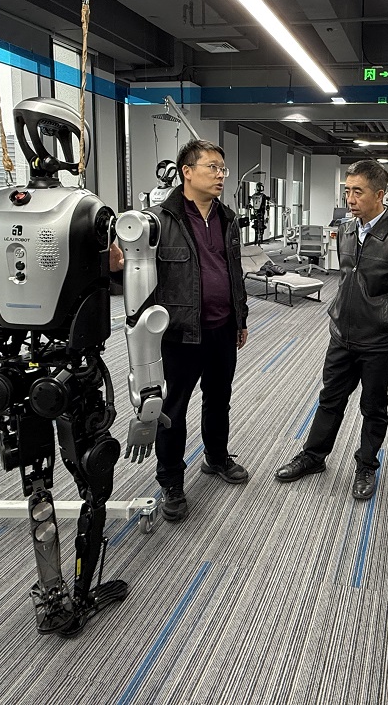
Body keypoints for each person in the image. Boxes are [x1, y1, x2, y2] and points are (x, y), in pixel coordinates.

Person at [273, 159, 388, 500]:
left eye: (358, 191)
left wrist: (387, 322)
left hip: (379, 341)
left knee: (373, 407)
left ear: (379, 195)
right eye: (347, 191)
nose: (350, 198)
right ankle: (314, 456)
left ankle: (366, 465)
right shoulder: (345, 229)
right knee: (330, 398)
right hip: (341, 334)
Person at [117, 138, 250, 523]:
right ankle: (171, 481)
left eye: (223, 169)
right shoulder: (159, 221)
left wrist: (240, 318)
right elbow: (133, 279)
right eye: (212, 167)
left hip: (222, 327)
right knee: (172, 409)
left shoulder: (227, 218)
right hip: (178, 333)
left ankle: (216, 457)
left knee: (219, 399)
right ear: (186, 172)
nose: (221, 175)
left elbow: (234, 272)